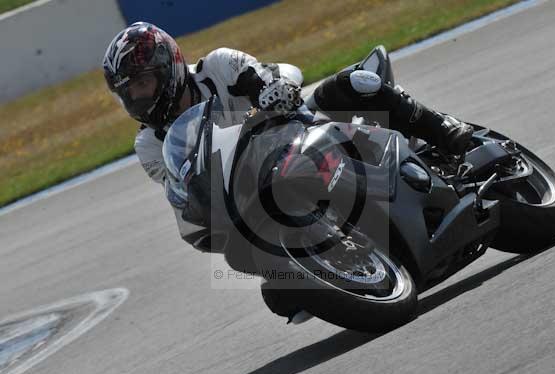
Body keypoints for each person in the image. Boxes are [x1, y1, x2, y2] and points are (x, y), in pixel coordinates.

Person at [102, 21, 473, 323]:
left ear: (168, 68)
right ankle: (339, 255)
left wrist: (271, 91)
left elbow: (268, 76)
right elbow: (184, 185)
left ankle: (442, 128)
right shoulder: (150, 144)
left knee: (353, 83)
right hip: (256, 190)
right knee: (281, 296)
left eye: (142, 82)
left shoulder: (217, 66)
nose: (138, 96)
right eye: (128, 91)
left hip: (300, 134)